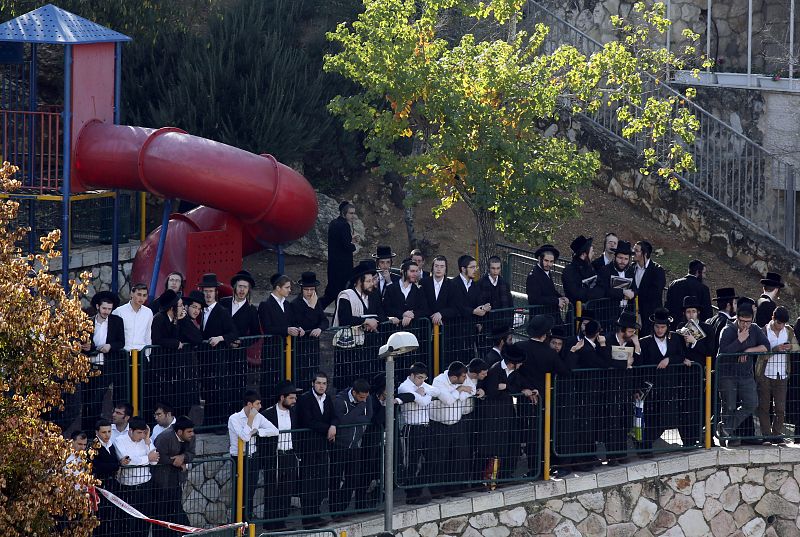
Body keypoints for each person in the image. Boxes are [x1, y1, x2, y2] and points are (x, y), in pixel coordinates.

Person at [638, 308, 698, 454]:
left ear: (667, 327)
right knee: (653, 419)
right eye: (657, 327)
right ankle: (644, 447)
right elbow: (640, 364)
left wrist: (669, 359)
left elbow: (681, 355)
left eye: (663, 327)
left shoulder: (676, 339)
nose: (660, 330)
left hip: (671, 385)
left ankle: (688, 442)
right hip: (652, 386)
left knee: (670, 416)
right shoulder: (644, 342)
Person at [332, 260, 392, 389]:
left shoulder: (374, 295)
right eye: (368, 281)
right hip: (349, 348)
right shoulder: (346, 296)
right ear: (359, 281)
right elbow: (344, 319)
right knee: (348, 381)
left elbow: (381, 314)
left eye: (372, 280)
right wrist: (365, 321)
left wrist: (374, 321)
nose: (372, 284)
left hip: (369, 346)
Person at [717, 302, 769, 445]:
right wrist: (739, 340)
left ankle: (725, 428)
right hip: (727, 375)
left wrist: (748, 350)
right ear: (737, 319)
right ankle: (726, 437)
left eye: (748, 321)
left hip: (746, 375)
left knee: (751, 403)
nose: (745, 325)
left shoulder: (755, 329)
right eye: (742, 321)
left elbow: (766, 347)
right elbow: (723, 353)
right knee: (729, 406)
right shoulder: (727, 330)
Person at [228, 390, 279, 517]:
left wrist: (258, 432)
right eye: (258, 404)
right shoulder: (234, 418)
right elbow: (244, 437)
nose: (260, 406)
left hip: (252, 458)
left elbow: (275, 430)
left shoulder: (258, 416)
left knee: (250, 490)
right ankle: (237, 522)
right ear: (250, 405)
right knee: (239, 491)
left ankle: (247, 518)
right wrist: (250, 419)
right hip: (238, 458)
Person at [481, 343, 526, 480]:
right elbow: (493, 392)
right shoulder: (495, 370)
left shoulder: (514, 373)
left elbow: (519, 385)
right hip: (495, 415)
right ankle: (493, 477)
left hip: (507, 412)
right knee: (496, 446)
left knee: (510, 444)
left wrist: (506, 387)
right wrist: (509, 388)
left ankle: (506, 474)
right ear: (513, 363)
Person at [295, 372, 335, 527]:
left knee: (320, 481)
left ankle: (316, 515)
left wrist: (333, 426)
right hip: (308, 447)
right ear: (313, 383)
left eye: (324, 383)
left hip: (323, 446)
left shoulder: (328, 398)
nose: (321, 386)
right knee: (308, 482)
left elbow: (334, 416)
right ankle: (307, 519)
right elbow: (308, 421)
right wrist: (328, 429)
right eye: (319, 383)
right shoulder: (305, 399)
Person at [329, 378, 373, 515]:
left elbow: (368, 417)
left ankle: (341, 507)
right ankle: (333, 509)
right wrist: (359, 409)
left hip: (355, 445)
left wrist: (353, 417)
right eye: (360, 397)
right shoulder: (340, 400)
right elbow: (342, 421)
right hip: (339, 445)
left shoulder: (366, 398)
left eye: (365, 397)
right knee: (335, 478)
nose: (363, 400)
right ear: (353, 392)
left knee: (353, 478)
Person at [261, 381, 302, 527]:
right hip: (275, 455)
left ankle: (282, 521)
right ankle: (270, 523)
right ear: (282, 397)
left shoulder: (295, 413)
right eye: (291, 398)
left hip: (290, 454)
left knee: (287, 489)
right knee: (272, 489)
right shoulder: (268, 413)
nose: (294, 400)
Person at [81, 291, 125, 430]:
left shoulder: (117, 322)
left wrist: (110, 346)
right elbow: (80, 340)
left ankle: (94, 429)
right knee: (87, 398)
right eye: (104, 308)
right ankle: (87, 429)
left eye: (109, 309)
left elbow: (121, 342)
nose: (107, 312)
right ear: (98, 307)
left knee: (97, 398)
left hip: (106, 365)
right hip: (89, 365)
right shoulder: (87, 321)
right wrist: (88, 347)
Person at [199, 273, 238, 423]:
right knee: (208, 391)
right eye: (206, 291)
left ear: (216, 292)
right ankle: (209, 421)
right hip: (206, 358)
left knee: (218, 391)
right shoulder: (201, 311)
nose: (208, 294)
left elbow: (233, 332)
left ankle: (219, 422)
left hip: (218, 357)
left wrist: (220, 338)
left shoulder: (222, 311)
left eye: (210, 291)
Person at [757, 306, 799, 445]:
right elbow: (760, 355)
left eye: (783, 324)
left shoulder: (788, 331)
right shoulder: (763, 331)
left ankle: (777, 434)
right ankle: (766, 436)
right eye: (779, 323)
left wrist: (789, 347)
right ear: (773, 318)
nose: (781, 327)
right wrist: (775, 349)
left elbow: (797, 347)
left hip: (782, 373)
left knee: (780, 407)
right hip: (765, 374)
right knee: (763, 406)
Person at [429, 361, 472, 496]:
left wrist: (459, 394)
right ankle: (437, 490)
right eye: (464, 377)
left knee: (460, 456)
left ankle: (454, 488)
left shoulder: (463, 379)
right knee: (440, 458)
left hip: (457, 424)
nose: (466, 379)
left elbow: (472, 390)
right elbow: (447, 399)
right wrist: (459, 390)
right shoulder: (439, 381)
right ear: (455, 377)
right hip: (440, 426)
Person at [397, 363, 438, 504]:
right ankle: (411, 495)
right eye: (419, 377)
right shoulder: (404, 387)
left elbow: (435, 392)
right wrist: (424, 395)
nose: (422, 381)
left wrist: (423, 394)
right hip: (412, 428)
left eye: (424, 378)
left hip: (425, 427)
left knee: (432, 458)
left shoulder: (422, 386)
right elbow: (422, 401)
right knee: (412, 462)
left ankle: (418, 488)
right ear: (412, 375)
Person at [259, 273, 304, 400]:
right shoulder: (265, 305)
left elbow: (293, 321)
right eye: (287, 287)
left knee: (285, 378)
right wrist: (286, 330)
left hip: (287, 349)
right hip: (272, 349)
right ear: (278, 288)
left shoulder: (287, 305)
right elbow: (267, 328)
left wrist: (298, 328)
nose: (290, 290)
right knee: (270, 379)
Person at [114, 417, 159, 537]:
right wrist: (147, 459)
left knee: (144, 520)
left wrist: (148, 440)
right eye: (139, 432)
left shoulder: (146, 440)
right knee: (127, 521)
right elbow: (128, 460)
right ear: (130, 431)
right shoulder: (119, 441)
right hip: (128, 487)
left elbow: (155, 461)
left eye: (144, 432)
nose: (141, 435)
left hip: (145, 486)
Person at [383, 258, 430, 372]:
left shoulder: (418, 290)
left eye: (417, 271)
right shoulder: (391, 288)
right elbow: (386, 308)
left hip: (412, 334)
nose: (416, 274)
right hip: (393, 333)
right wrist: (402, 314)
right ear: (404, 271)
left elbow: (425, 310)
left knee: (410, 363)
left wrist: (411, 314)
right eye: (412, 271)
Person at [445, 255, 491, 368]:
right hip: (455, 332)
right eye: (472, 267)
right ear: (463, 269)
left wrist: (484, 308)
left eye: (476, 267)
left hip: (470, 332)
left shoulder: (475, 286)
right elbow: (456, 306)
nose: (475, 270)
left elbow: (478, 302)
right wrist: (473, 311)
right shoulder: (452, 284)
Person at [220, 270, 261, 399]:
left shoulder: (251, 309)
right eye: (240, 286)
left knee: (237, 386)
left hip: (238, 352)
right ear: (235, 287)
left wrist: (241, 343)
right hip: (221, 349)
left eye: (245, 287)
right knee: (221, 385)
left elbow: (256, 333)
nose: (242, 290)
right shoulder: (223, 303)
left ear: (249, 290)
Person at [152, 416, 195, 537]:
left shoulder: (191, 437)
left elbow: (191, 453)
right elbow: (158, 457)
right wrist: (174, 461)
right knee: (162, 512)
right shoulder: (164, 438)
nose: (192, 434)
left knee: (175, 507)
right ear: (180, 432)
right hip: (161, 480)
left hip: (176, 479)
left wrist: (183, 458)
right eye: (189, 431)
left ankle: (185, 532)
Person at [290, 272, 330, 388]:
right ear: (302, 289)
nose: (309, 292)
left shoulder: (316, 302)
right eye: (306, 289)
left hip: (313, 344)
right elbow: (295, 321)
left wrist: (319, 328)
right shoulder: (295, 304)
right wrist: (299, 328)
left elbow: (324, 320)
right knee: (300, 372)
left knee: (313, 370)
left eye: (312, 289)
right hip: (300, 345)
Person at [149, 290, 185, 416]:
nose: (182, 308)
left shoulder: (173, 319)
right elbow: (157, 339)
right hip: (159, 362)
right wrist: (175, 344)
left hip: (169, 362)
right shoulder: (159, 318)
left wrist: (177, 322)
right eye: (180, 306)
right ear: (171, 308)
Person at [321, 201, 359, 309]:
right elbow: (347, 246)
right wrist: (353, 244)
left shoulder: (334, 223)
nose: (353, 216)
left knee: (332, 292)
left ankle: (316, 309)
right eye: (350, 213)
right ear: (344, 213)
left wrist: (349, 239)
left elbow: (338, 241)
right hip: (342, 266)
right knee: (341, 292)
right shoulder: (344, 225)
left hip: (333, 264)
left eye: (353, 213)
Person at [477, 255, 514, 356]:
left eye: (498, 268)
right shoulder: (480, 283)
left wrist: (510, 326)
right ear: (488, 268)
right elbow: (477, 304)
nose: (495, 271)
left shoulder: (504, 283)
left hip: (503, 325)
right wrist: (479, 323)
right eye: (493, 268)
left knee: (504, 353)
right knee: (486, 353)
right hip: (487, 325)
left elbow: (510, 306)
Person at [596, 240, 636, 333]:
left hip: (626, 312)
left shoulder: (630, 271)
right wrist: (622, 293)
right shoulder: (605, 270)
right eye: (620, 258)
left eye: (626, 259)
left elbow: (635, 288)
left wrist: (633, 293)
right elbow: (603, 290)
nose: (623, 262)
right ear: (615, 257)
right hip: (608, 313)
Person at [90, 419, 120, 537]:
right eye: (104, 432)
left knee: (111, 516)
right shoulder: (93, 448)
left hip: (112, 485)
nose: (107, 435)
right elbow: (97, 466)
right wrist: (116, 465)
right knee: (101, 517)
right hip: (100, 487)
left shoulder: (111, 445)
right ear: (97, 433)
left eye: (109, 431)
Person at [526, 244, 569, 324]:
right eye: (546, 261)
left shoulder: (546, 272)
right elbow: (535, 299)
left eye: (551, 261)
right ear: (539, 259)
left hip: (550, 316)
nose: (549, 264)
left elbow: (549, 291)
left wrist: (561, 297)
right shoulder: (534, 275)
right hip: (540, 318)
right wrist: (556, 300)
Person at [632, 241, 666, 337]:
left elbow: (655, 293)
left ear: (645, 254)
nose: (633, 252)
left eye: (636, 250)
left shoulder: (657, 270)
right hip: (633, 312)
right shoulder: (631, 268)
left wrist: (635, 294)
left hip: (649, 315)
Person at [665, 260, 712, 326]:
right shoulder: (703, 288)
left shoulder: (674, 284)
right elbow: (707, 312)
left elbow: (667, 306)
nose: (704, 276)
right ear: (698, 272)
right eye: (703, 273)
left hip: (674, 326)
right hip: (695, 329)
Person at [561, 235, 605, 306]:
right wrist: (592, 293)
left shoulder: (590, 268)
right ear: (584, 254)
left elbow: (601, 288)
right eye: (591, 251)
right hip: (576, 313)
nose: (593, 254)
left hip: (593, 312)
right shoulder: (569, 271)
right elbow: (576, 293)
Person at [705, 288, 738, 358]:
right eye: (735, 303)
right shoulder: (727, 322)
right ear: (728, 305)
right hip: (721, 362)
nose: (736, 307)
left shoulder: (710, 320)